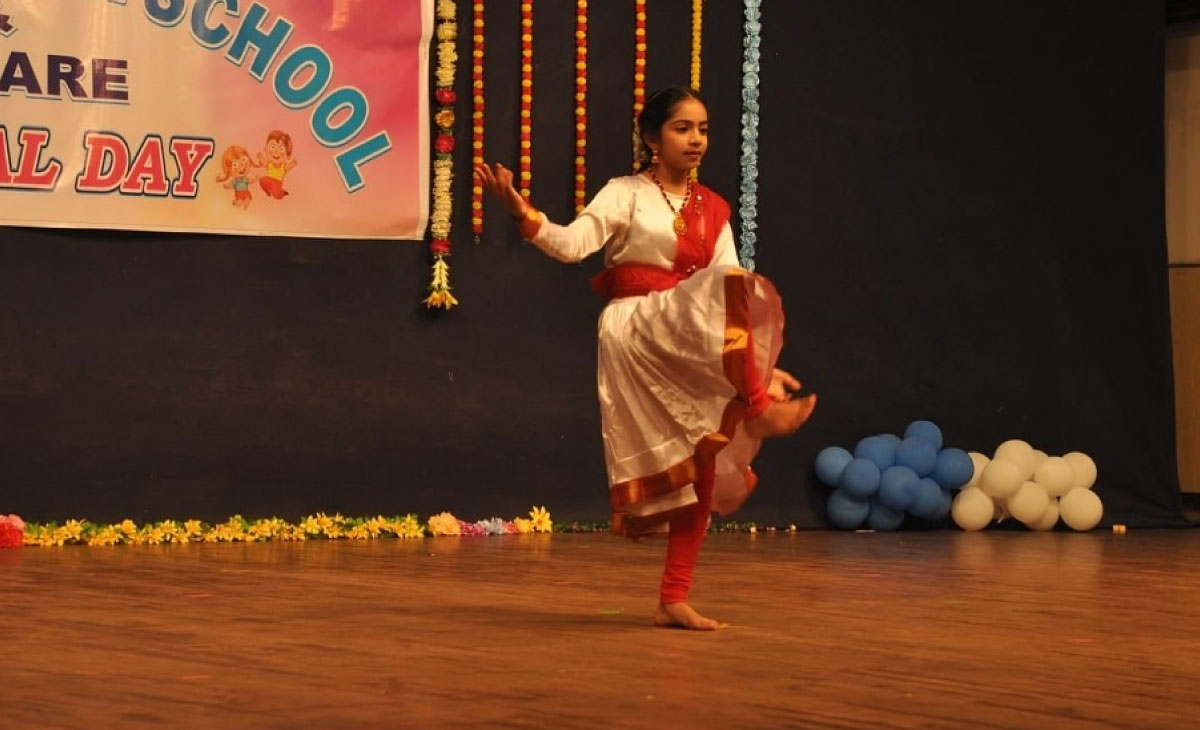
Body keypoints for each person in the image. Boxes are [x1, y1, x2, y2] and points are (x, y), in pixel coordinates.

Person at [475, 85, 816, 630]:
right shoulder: (625, 193)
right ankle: (755, 406)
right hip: (637, 327)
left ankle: (673, 599)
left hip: (684, 333)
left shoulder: (714, 209)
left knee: (700, 466)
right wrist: (522, 211)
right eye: (683, 128)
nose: (697, 139)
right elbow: (569, 245)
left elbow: (732, 300)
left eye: (703, 128)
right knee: (724, 286)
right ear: (652, 138)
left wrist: (758, 364)